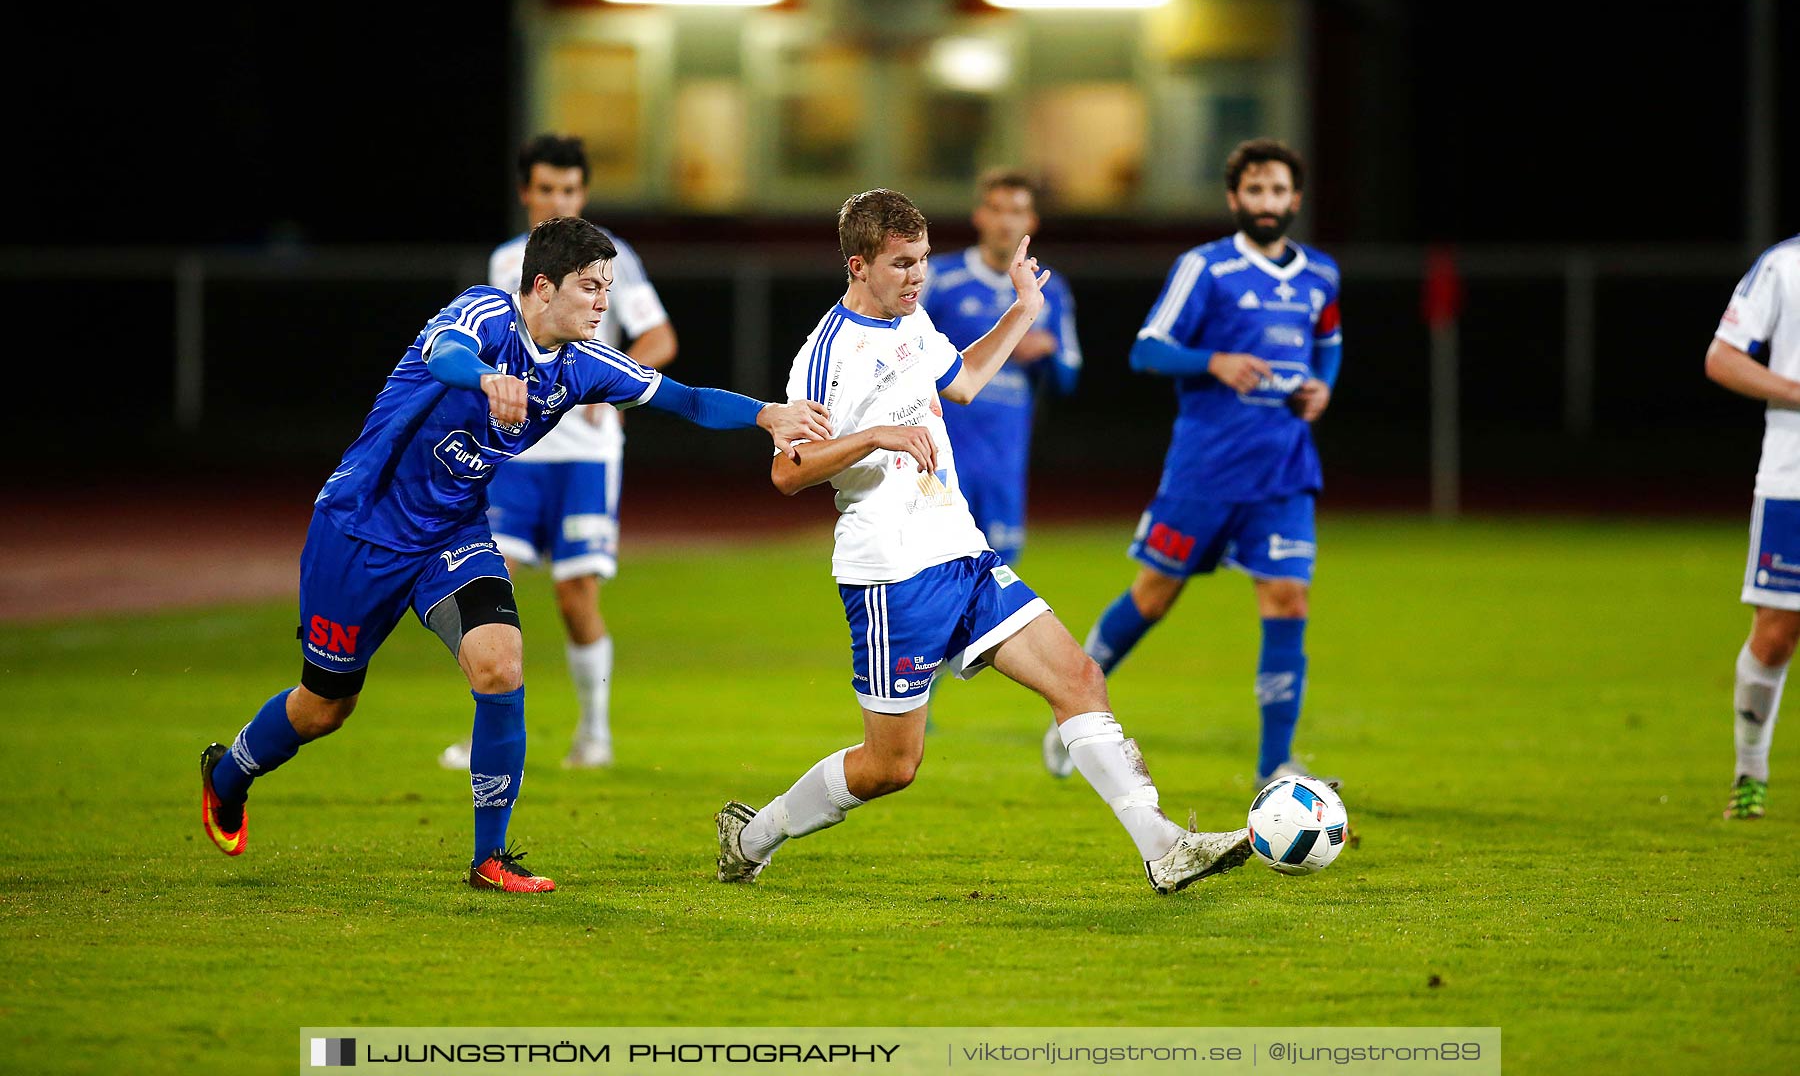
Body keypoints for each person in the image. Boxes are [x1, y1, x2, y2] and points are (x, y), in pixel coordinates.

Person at [200, 216, 830, 892]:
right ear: (542, 286)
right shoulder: (485, 313)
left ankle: (489, 858)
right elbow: (443, 351)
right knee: (325, 706)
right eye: (590, 288)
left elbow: (686, 399)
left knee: (500, 665)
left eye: (607, 289)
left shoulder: (585, 364)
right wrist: (483, 379)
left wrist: (767, 413)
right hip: (361, 530)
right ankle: (228, 773)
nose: (602, 303)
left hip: (453, 532)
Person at [713, 189, 1251, 894]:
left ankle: (1164, 847)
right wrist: (873, 434)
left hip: (961, 553)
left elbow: (961, 381)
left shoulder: (913, 320)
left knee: (1081, 679)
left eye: (924, 262)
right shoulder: (828, 356)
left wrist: (1024, 308)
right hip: (891, 576)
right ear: (858, 265)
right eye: (902, 264)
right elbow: (787, 471)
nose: (917, 277)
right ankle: (752, 836)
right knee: (891, 767)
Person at [1044, 139, 1342, 787]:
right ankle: (1072, 710)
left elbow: (1329, 342)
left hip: (1285, 467)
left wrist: (1323, 385)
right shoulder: (1204, 269)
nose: (1267, 202)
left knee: (1288, 599)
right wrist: (1214, 361)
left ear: (1296, 199)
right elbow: (1147, 350)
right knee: (1153, 596)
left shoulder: (1321, 274)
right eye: (1255, 191)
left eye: (1279, 191)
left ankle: (1274, 768)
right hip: (1205, 469)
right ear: (1235, 199)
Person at [439, 134, 677, 772]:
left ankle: (594, 734)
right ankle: (481, 735)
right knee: (489, 592)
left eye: (569, 190)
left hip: (586, 456)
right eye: (546, 189)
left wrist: (612, 379)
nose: (557, 200)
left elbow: (659, 336)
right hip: (512, 456)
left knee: (576, 597)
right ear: (526, 193)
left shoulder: (612, 257)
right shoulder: (503, 263)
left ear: (584, 194)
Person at [919, 169, 1080, 565]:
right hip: (940, 451)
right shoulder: (939, 277)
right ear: (979, 216)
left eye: (1017, 211)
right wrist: (999, 346)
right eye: (996, 209)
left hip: (1005, 453)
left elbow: (1069, 376)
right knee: (933, 568)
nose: (1006, 220)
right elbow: (901, 346)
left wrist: (1046, 350)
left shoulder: (1048, 289)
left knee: (998, 575)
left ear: (1032, 222)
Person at [1705, 233, 1800, 820]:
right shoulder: (1786, 266)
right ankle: (1751, 772)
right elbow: (1723, 357)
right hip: (1795, 478)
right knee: (1776, 632)